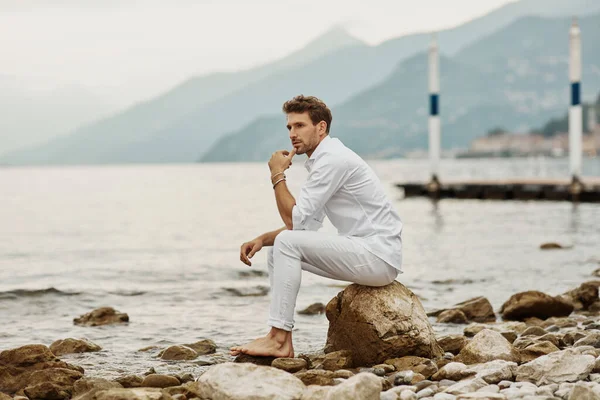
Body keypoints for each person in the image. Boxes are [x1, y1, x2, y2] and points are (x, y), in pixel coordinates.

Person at [230, 95, 403, 358]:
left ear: (320, 128)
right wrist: (262, 239)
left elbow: (293, 222)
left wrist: (277, 174)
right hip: (371, 254)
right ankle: (279, 338)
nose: (292, 134)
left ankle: (278, 339)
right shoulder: (325, 160)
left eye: (299, 125)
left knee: (285, 243)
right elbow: (306, 224)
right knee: (278, 247)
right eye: (289, 127)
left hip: (377, 255)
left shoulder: (333, 160)